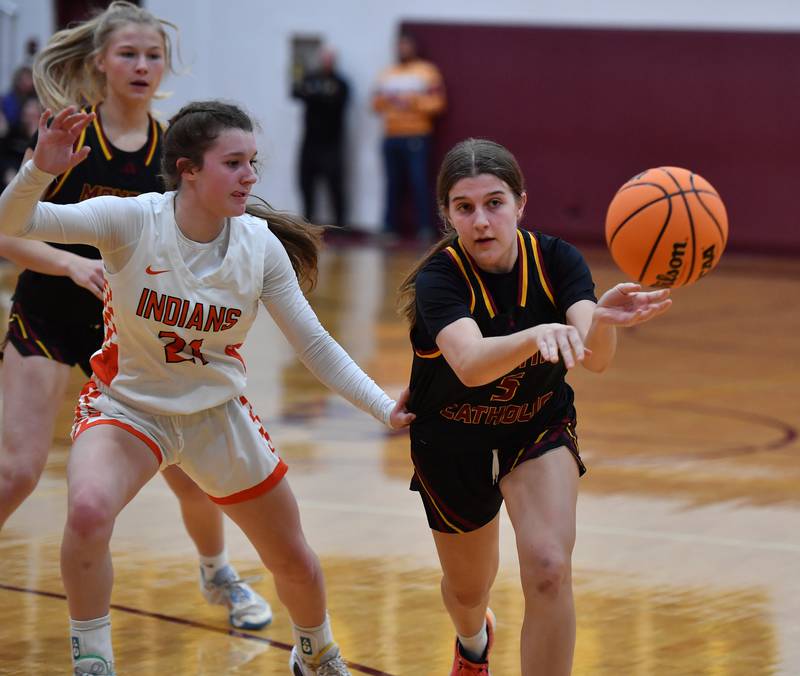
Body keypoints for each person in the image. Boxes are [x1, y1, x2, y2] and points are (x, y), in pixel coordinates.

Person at [0, 100, 414, 676]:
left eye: (252, 163)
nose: (250, 176)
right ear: (189, 170)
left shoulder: (260, 246)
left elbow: (316, 346)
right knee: (89, 510)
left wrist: (383, 407)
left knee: (293, 559)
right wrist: (38, 171)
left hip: (216, 412)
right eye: (233, 163)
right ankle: (93, 659)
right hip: (128, 408)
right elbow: (12, 223)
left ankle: (317, 654)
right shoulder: (132, 220)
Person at [0, 1, 273, 633]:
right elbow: (7, 231)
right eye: (128, 54)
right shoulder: (70, 135)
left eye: (153, 55)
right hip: (48, 314)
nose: (142, 65)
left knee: (190, 474)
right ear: (101, 61)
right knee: (17, 470)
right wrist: (69, 264)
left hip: (135, 330)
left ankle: (218, 573)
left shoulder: (173, 149)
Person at [398, 138, 672, 675]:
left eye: (495, 203)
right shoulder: (440, 278)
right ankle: (473, 642)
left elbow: (594, 358)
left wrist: (603, 319)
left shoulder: (556, 259)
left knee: (549, 569)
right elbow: (471, 364)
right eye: (465, 207)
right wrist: (536, 334)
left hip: (536, 426)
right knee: (468, 590)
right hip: (452, 439)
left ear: (521, 203)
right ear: (447, 215)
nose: (481, 220)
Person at [372, 32, 446, 243]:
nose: (402, 49)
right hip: (391, 135)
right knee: (392, 183)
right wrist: (389, 101)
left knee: (418, 181)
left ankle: (424, 227)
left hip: (417, 135)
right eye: (400, 45)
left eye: (406, 45)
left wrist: (412, 102)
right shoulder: (387, 74)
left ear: (413, 47)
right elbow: (375, 103)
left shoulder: (427, 72)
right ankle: (389, 227)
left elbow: (437, 103)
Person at [292, 45, 349, 228]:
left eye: (329, 59)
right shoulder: (310, 78)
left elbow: (336, 101)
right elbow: (296, 92)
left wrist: (315, 95)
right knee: (306, 183)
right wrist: (320, 95)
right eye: (324, 58)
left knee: (335, 185)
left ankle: (340, 225)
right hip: (310, 142)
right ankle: (308, 222)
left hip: (332, 143)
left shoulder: (341, 82)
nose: (326, 62)